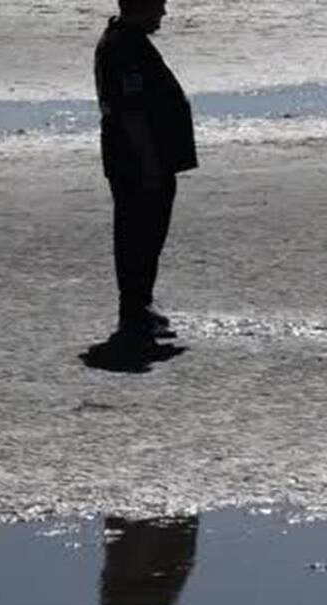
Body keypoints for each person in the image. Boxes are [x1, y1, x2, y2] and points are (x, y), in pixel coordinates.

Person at [94, 0, 197, 348]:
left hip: (149, 160)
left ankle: (141, 307)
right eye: (159, 6)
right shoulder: (122, 46)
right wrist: (151, 166)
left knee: (148, 236)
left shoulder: (130, 41)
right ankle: (134, 313)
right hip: (137, 163)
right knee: (138, 236)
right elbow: (132, 114)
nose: (163, 14)